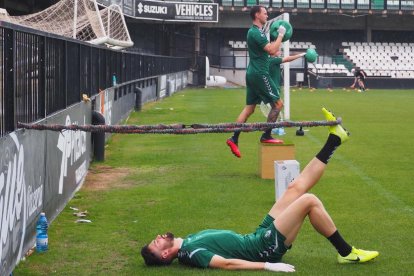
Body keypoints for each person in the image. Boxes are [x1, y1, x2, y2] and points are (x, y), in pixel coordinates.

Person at [141, 108, 379, 272]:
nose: (159, 236)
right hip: (262, 248)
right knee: (309, 201)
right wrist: (267, 266)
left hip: (256, 237)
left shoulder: (186, 243)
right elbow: (226, 264)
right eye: (157, 242)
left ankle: (335, 140)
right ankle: (346, 252)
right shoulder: (192, 253)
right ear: (164, 255)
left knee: (295, 188)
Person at [226, 5, 287, 158]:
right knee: (278, 104)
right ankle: (266, 135)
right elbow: (272, 51)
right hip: (260, 74)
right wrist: (280, 35)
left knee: (249, 109)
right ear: (257, 15)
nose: (267, 15)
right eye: (265, 13)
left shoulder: (257, 32)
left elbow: (269, 49)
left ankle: (234, 138)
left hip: (253, 73)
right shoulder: (255, 33)